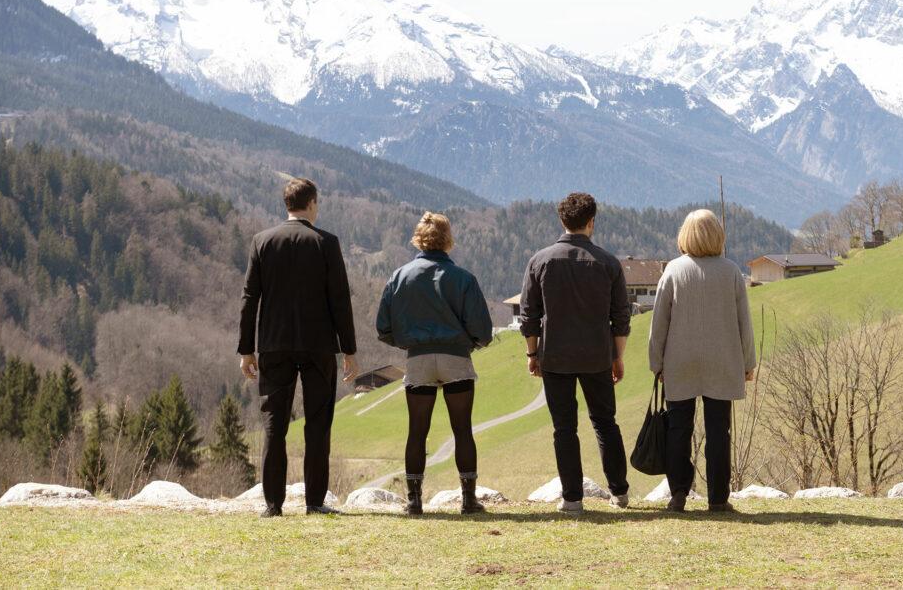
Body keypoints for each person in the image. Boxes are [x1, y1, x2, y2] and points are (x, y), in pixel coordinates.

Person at [238, 178, 358, 517]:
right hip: (318, 345)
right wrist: (348, 349)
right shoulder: (326, 243)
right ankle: (315, 502)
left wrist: (246, 349)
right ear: (312, 204)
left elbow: (250, 298)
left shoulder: (262, 241)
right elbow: (339, 300)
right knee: (317, 423)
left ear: (286, 204)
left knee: (274, 423)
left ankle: (273, 505)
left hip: (274, 344)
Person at [520, 192, 631, 514]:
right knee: (605, 422)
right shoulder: (608, 263)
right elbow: (620, 318)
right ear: (591, 222)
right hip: (597, 355)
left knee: (564, 428)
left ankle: (572, 498)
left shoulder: (540, 260)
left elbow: (528, 316)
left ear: (562, 221)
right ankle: (619, 492)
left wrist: (532, 354)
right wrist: (617, 356)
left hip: (555, 356)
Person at [376, 212, 493, 516]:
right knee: (462, 429)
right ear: (447, 240)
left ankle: (414, 501)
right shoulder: (464, 279)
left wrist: (406, 342)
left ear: (419, 238)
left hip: (418, 359)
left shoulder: (399, 276)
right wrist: (471, 343)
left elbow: (383, 327)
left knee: (417, 431)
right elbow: (483, 330)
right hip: (456, 357)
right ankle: (468, 499)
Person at [648, 209, 756, 513]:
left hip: (679, 360)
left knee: (678, 429)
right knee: (719, 431)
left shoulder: (673, 270)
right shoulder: (731, 272)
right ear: (717, 236)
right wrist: (748, 361)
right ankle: (718, 498)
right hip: (723, 360)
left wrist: (657, 363)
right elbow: (743, 323)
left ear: (686, 235)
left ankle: (679, 493)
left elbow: (660, 323)